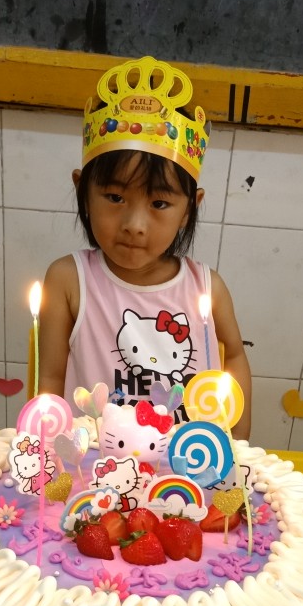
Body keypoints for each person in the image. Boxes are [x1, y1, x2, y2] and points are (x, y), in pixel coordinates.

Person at [38, 55, 251, 439]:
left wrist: (238, 446)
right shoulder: (68, 280)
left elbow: (233, 356)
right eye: (115, 197)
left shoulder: (208, 288)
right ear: (82, 191)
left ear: (189, 209)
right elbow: (51, 378)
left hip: (186, 463)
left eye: (159, 203)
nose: (135, 225)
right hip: (95, 463)